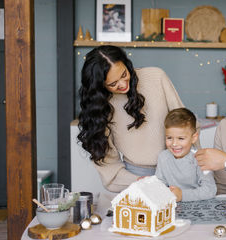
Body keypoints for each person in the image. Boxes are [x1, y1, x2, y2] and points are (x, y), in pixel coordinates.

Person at [78, 45, 184, 192]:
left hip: (177, 171)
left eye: (123, 74)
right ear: (100, 86)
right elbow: (109, 167)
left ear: (126, 64)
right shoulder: (101, 107)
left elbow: (186, 123)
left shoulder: (156, 77)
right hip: (136, 179)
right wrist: (137, 181)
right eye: (113, 84)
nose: (122, 84)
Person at [155, 108, 217, 201]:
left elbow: (210, 190)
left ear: (194, 138)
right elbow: (159, 184)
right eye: (169, 138)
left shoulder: (201, 159)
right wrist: (149, 183)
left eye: (181, 138)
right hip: (172, 206)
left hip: (198, 207)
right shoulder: (163, 157)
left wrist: (182, 195)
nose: (174, 144)